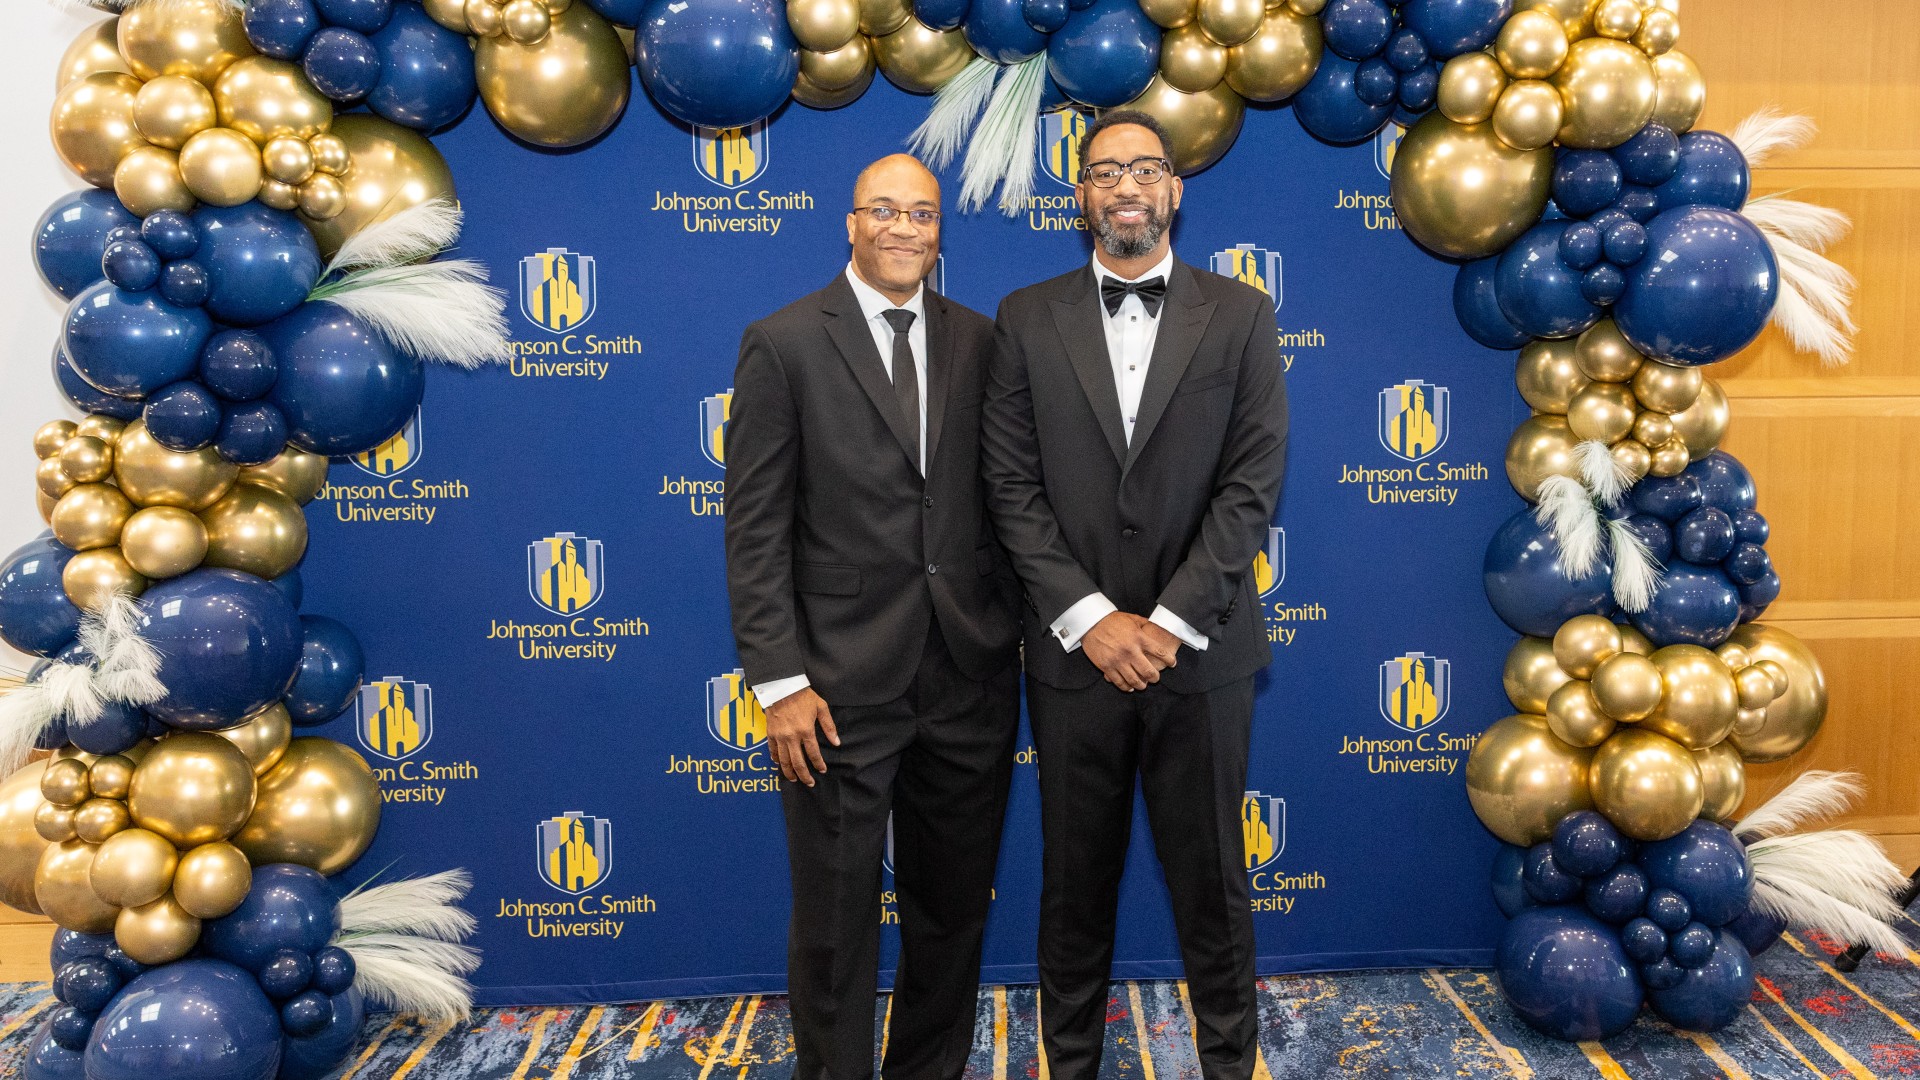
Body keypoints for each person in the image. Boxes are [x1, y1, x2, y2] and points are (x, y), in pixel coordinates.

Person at [981, 111, 1289, 1080]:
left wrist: (1160, 625)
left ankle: (1230, 1065)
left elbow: (1251, 486)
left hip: (1202, 657)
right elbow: (1010, 488)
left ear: (1174, 191)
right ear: (1080, 197)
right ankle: (1067, 1066)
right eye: (1104, 171)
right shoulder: (1025, 317)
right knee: (1074, 887)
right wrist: (1092, 622)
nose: (1126, 187)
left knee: (1214, 889)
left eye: (1145, 170)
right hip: (1073, 660)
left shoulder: (1241, 314)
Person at [724, 154, 1021, 1080]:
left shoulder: (982, 339)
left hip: (968, 672)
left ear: (941, 233)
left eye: (923, 215)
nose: (905, 229)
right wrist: (779, 683)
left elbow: (1010, 497)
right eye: (885, 211)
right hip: (835, 685)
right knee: (836, 918)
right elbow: (756, 525)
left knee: (953, 910)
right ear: (849, 224)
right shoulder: (783, 343)